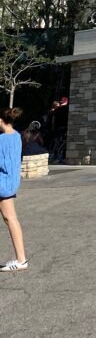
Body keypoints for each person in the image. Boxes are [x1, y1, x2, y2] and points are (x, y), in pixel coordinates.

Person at [0, 107, 28, 272]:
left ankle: (21, 259)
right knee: (10, 219)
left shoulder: (2, 139)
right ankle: (21, 259)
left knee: (10, 219)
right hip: (9, 183)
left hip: (2, 184)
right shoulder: (16, 136)